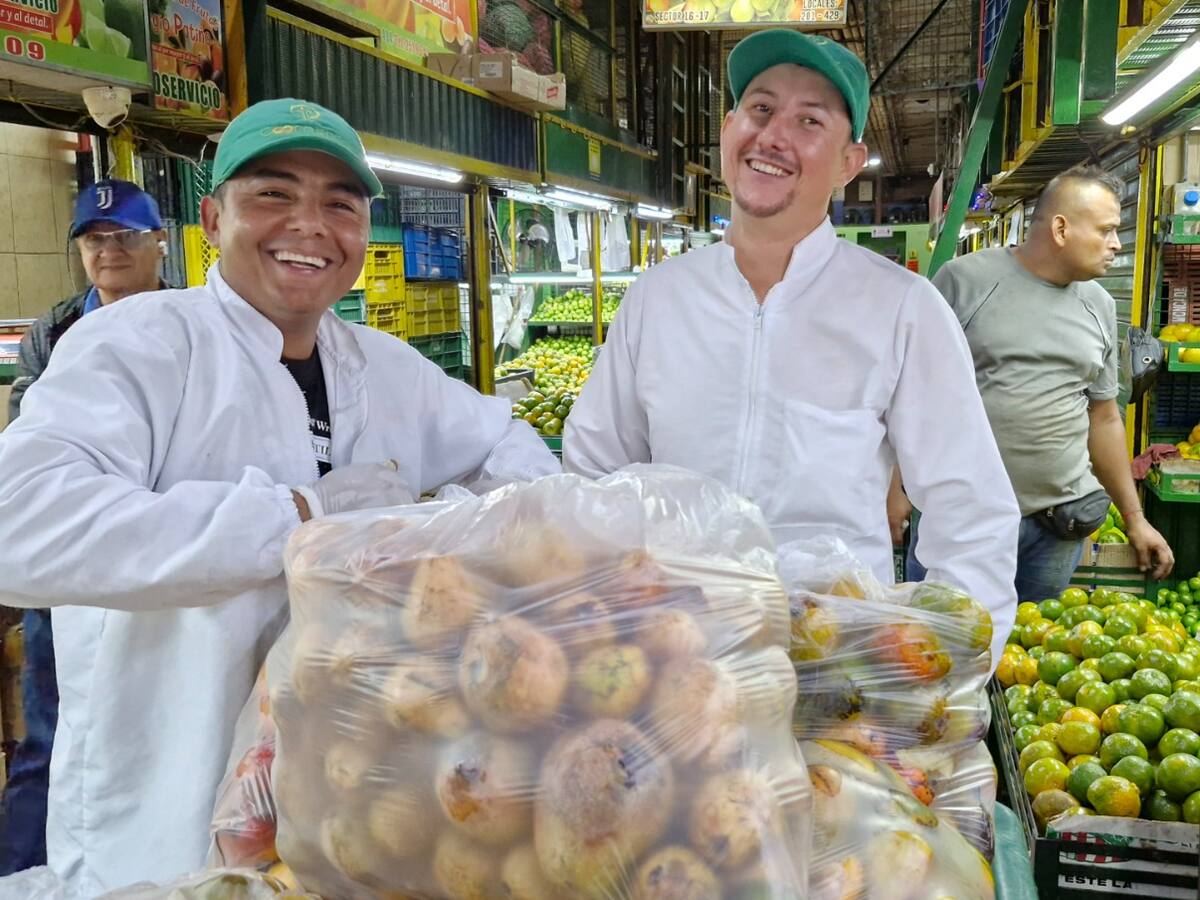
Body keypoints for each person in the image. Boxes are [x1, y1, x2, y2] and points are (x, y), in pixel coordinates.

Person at [0, 98, 557, 896]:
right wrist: (301, 518)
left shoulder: (382, 365)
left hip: (344, 815)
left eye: (340, 203)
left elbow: (506, 443)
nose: (309, 225)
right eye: (273, 194)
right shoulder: (140, 347)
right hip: (165, 822)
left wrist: (482, 538)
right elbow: (19, 526)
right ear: (210, 217)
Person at [563, 29, 1021, 670]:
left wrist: (946, 676)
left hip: (834, 672)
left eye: (809, 119)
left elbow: (970, 508)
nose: (773, 136)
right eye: (760, 109)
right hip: (675, 662)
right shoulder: (657, 301)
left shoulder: (900, 309)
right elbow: (592, 475)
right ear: (728, 130)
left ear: (847, 163)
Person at [897, 165, 1174, 600]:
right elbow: (911, 396)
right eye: (1106, 230)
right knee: (940, 649)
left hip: (1057, 526)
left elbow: (1103, 418)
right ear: (1061, 229)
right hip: (964, 521)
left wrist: (1135, 517)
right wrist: (897, 492)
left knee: (1033, 656)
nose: (1116, 244)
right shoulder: (965, 281)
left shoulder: (1099, 304)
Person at [0, 179, 171, 875]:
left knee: (162, 730)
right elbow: (33, 444)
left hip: (166, 558)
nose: (109, 251)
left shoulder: (200, 318)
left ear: (160, 242)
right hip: (75, 562)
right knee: (49, 735)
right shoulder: (55, 330)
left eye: (125, 236)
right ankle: (23, 875)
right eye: (94, 240)